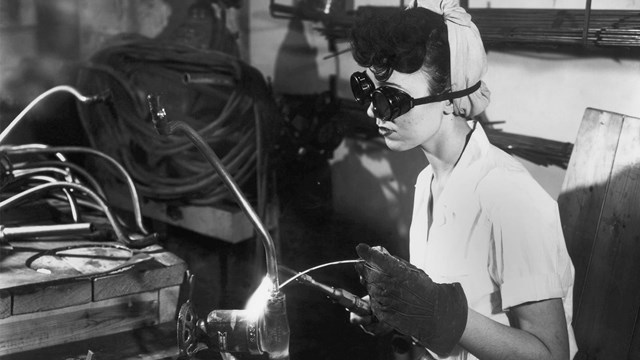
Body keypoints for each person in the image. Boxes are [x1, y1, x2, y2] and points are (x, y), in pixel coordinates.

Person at [347, 1, 577, 360]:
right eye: (368, 92)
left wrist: (439, 312)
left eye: (391, 98)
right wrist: (400, 312)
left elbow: (551, 355)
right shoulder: (429, 181)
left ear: (449, 99)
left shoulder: (508, 196)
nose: (372, 111)